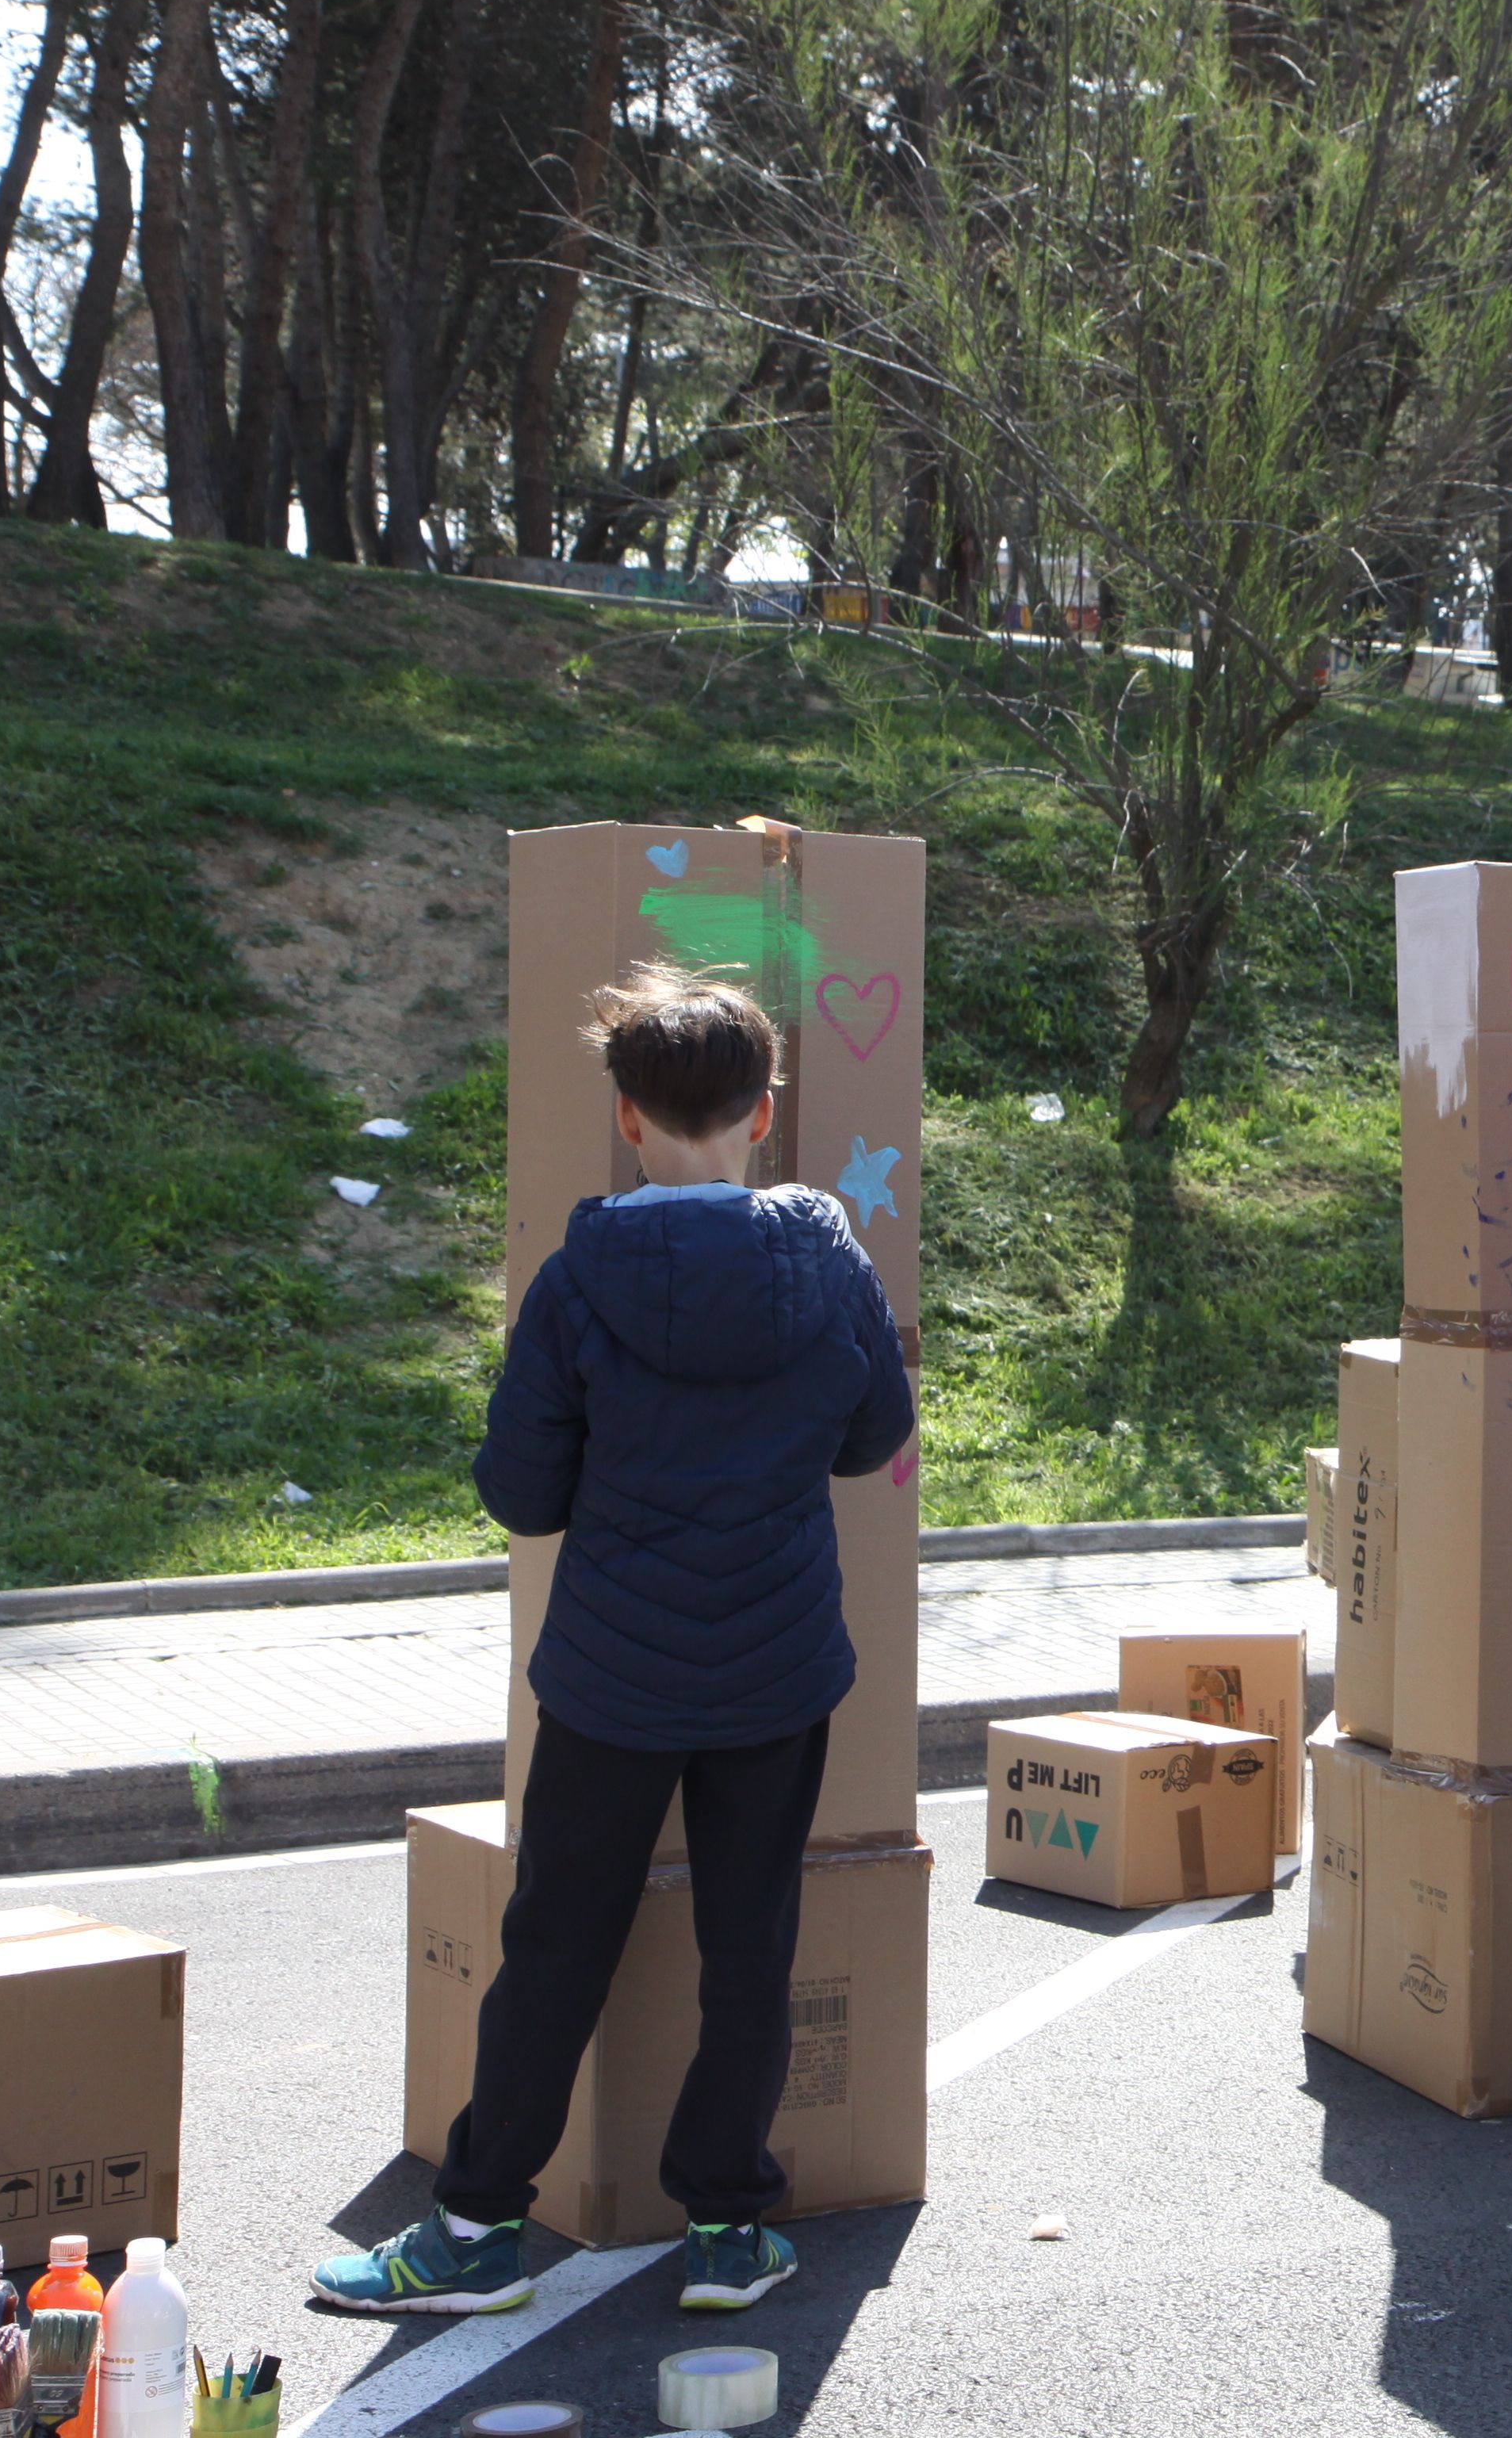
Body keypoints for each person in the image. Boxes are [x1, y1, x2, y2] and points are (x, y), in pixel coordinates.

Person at [312, 968, 916, 2318]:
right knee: (750, 1942)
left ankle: (473, 2236)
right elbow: (875, 1439)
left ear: (629, 1119)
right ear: (765, 1111)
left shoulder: (580, 1278)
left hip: (613, 1676)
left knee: (559, 1942)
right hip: (775, 1670)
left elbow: (523, 1497)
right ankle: (725, 2230)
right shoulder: (828, 1259)